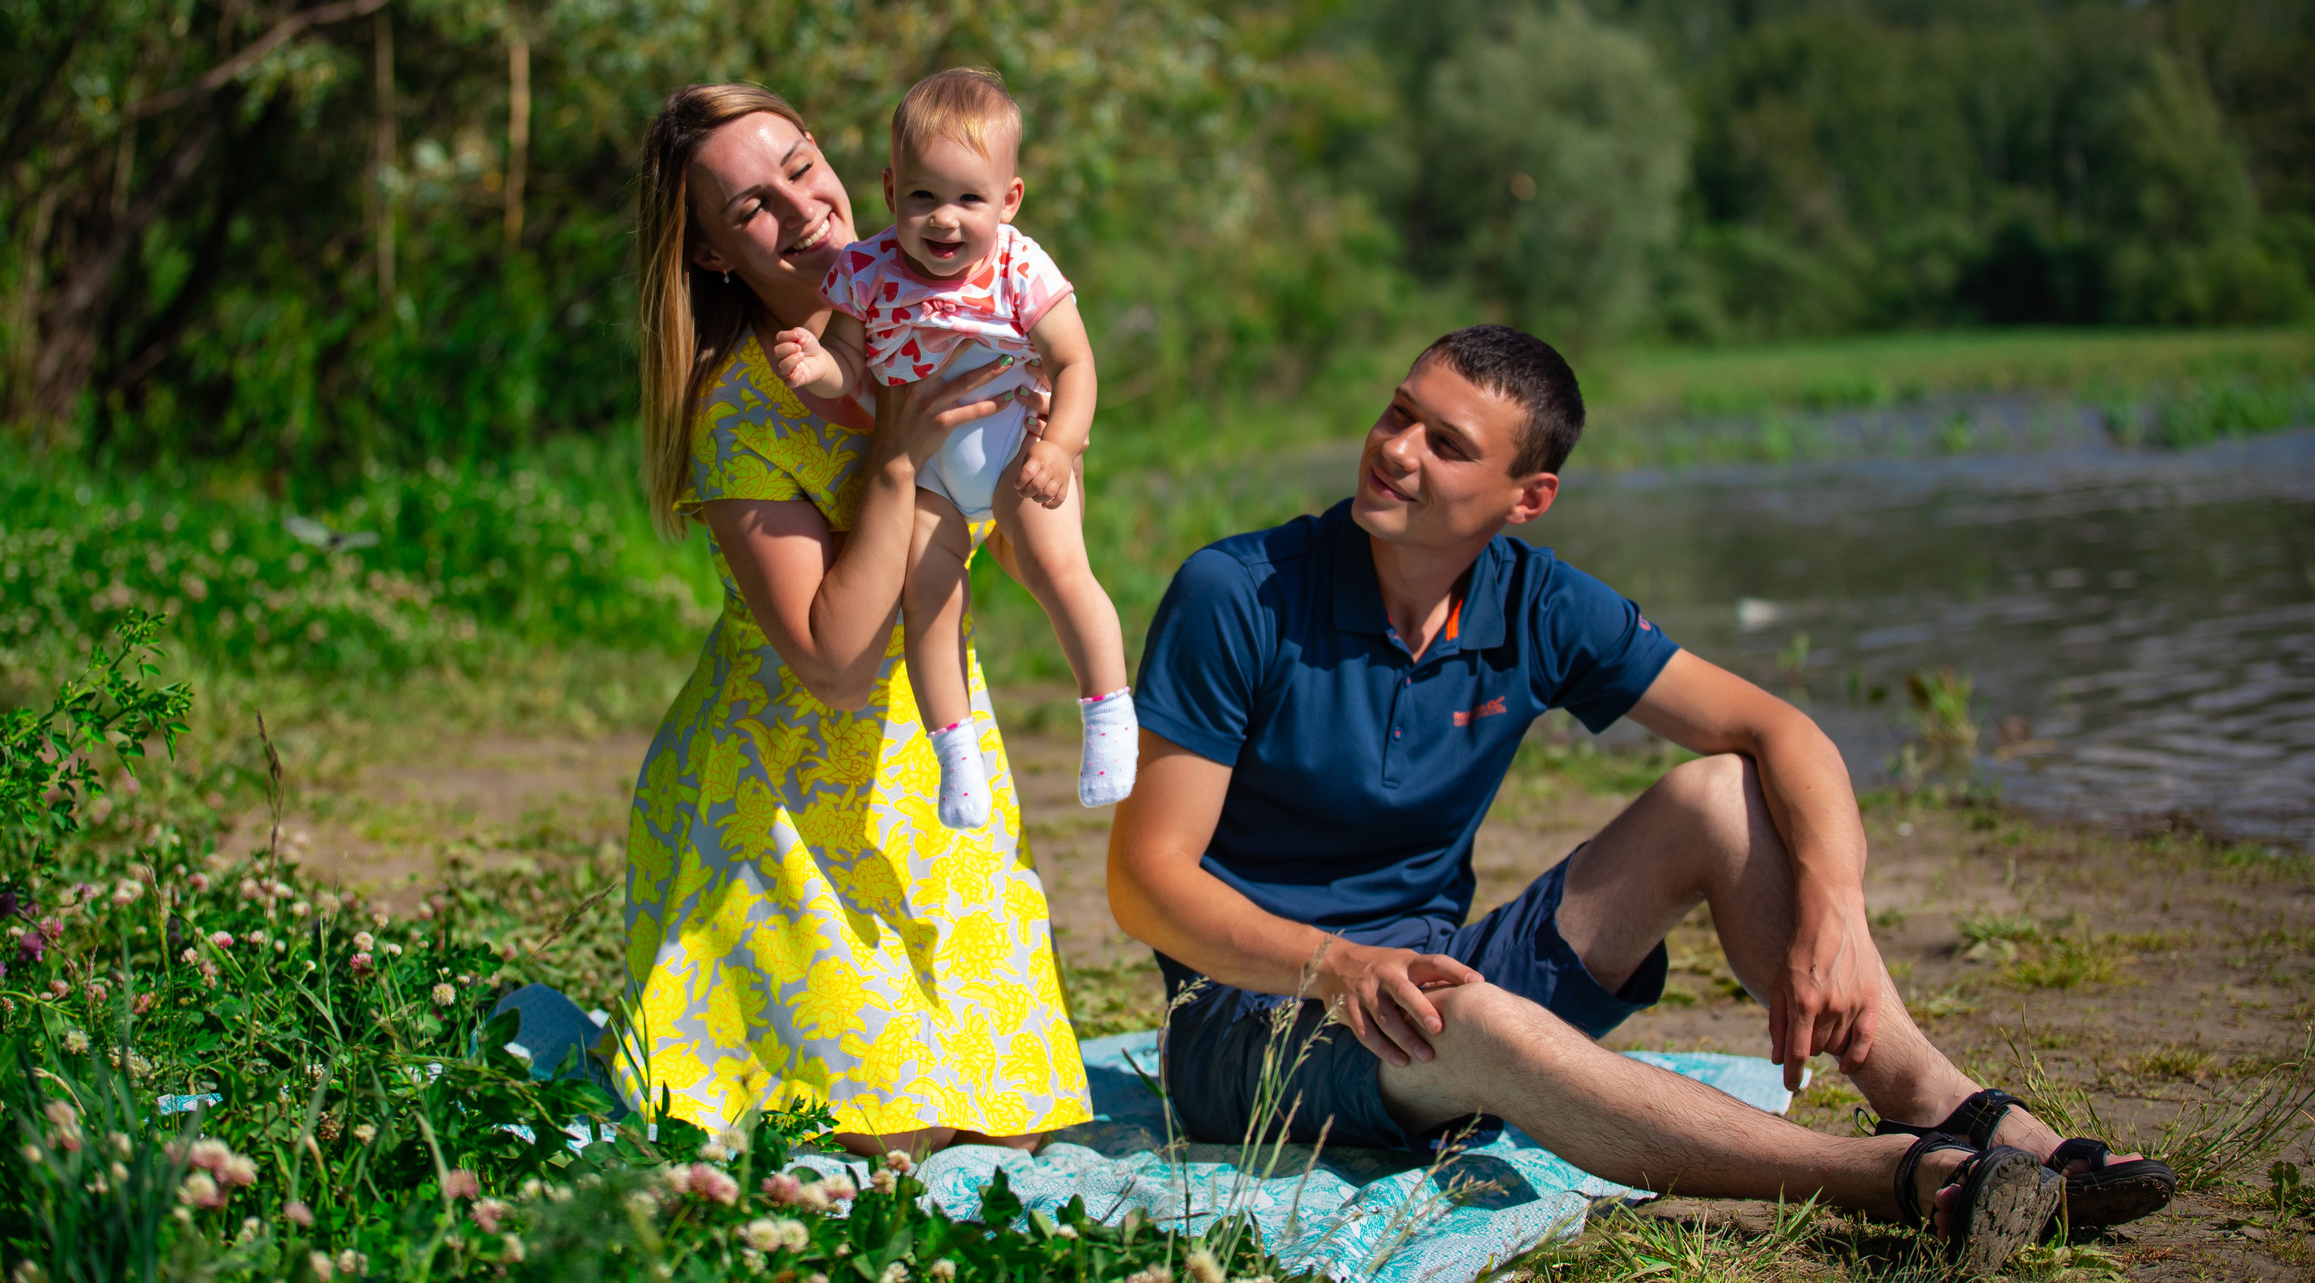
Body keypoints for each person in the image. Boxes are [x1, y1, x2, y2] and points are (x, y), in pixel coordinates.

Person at [1106, 325, 2175, 1270]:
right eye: (1398, 414)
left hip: (1440, 977)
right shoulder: (1236, 595)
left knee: (1721, 795)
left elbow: (1779, 730)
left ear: (1527, 498)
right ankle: (1895, 1178)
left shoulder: (1535, 602)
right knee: (1478, 1024)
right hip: (1253, 1021)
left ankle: (1949, 1108)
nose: (1393, 450)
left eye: (1445, 444)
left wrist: (1838, 909)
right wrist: (1335, 966)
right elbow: (1144, 884)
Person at [620, 81, 1091, 1154]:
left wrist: (1043, 463)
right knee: (874, 1138)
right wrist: (896, 454)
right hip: (776, 800)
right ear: (708, 256)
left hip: (929, 762)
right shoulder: (735, 413)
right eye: (750, 211)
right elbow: (832, 658)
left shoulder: (945, 300)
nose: (803, 211)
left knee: (1004, 1131)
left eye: (800, 167)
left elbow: (1012, 549)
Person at [773, 69, 1136, 829]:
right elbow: (849, 360)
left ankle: (1107, 711)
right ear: (889, 189)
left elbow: (1074, 362)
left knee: (1061, 571)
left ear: (1009, 200)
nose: (944, 219)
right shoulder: (866, 271)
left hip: (1015, 445)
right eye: (923, 196)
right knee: (930, 602)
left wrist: (1062, 446)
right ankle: (956, 752)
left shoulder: (1017, 266)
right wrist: (816, 366)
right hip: (929, 473)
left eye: (970, 198)